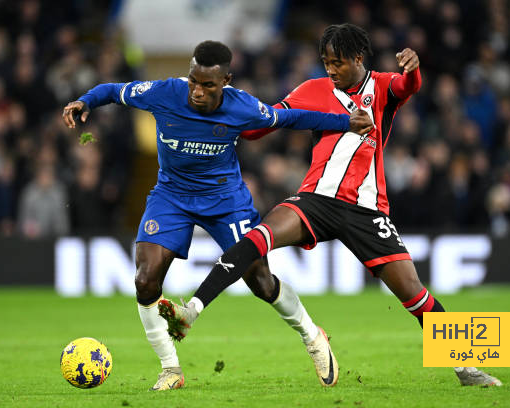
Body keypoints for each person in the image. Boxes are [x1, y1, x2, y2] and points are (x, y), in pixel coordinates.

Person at [160, 24, 503, 387]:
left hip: (367, 211)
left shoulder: (383, 87)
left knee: (414, 293)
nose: (330, 70)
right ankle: (192, 311)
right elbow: (261, 125)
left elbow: (409, 86)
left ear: (358, 58)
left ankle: (467, 367)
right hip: (315, 200)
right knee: (256, 237)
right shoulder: (312, 89)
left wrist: (413, 68)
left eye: (337, 62)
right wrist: (226, 109)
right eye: (325, 62)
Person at [62, 40, 373, 390]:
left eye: (207, 85)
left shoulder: (243, 107)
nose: (196, 91)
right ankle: (170, 369)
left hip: (226, 199)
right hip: (172, 196)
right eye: (194, 80)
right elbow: (114, 90)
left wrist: (346, 122)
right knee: (145, 278)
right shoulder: (165, 92)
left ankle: (313, 336)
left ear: (226, 80)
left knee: (260, 281)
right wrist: (84, 101)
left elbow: (291, 117)